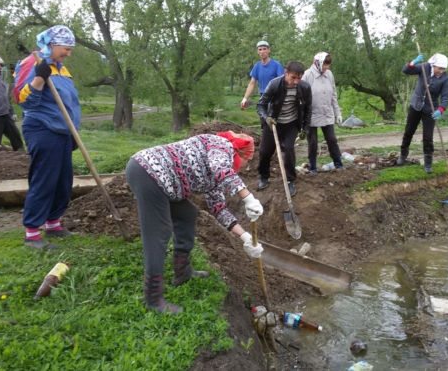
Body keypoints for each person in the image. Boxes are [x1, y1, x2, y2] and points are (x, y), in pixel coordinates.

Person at [126, 132, 264, 314]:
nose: (245, 167)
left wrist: (245, 237)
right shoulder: (221, 145)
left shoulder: (218, 175)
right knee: (158, 232)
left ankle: (182, 273)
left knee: (187, 213)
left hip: (166, 183)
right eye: (248, 161)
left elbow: (219, 209)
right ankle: (153, 298)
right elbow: (221, 168)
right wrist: (248, 197)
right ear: (241, 153)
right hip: (148, 173)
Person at [13, 25, 80, 250]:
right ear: (51, 44)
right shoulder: (32, 63)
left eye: (70, 50)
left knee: (63, 179)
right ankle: (32, 233)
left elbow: (68, 101)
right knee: (44, 179)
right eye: (66, 49)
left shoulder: (61, 68)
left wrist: (72, 132)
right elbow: (22, 99)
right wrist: (39, 78)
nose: (68, 54)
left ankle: (53, 224)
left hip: (62, 131)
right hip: (42, 128)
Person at [256, 61, 312, 196]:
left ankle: (290, 180)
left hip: (291, 124)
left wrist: (306, 127)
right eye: (293, 77)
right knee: (264, 152)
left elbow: (308, 108)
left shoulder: (304, 88)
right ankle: (264, 176)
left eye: (299, 78)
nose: (296, 81)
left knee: (289, 149)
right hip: (273, 123)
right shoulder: (275, 84)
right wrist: (266, 118)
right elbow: (260, 105)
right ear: (286, 73)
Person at [396, 53, 448, 174]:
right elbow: (406, 70)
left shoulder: (445, 78)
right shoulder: (425, 68)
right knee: (409, 131)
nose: (441, 71)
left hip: (431, 109)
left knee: (428, 137)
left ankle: (428, 162)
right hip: (416, 105)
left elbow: (446, 97)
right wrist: (413, 62)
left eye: (443, 69)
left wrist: (440, 110)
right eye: (439, 68)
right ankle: (403, 154)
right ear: (434, 65)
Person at [303, 52, 343, 173]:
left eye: (328, 65)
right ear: (318, 63)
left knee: (331, 139)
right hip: (312, 114)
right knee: (313, 142)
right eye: (325, 64)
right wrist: (302, 118)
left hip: (327, 112)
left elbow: (333, 95)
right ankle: (313, 166)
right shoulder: (307, 75)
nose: (326, 67)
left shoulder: (329, 75)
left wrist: (338, 113)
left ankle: (338, 163)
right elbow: (302, 97)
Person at [240, 41, 285, 110]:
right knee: (263, 118)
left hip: (275, 97)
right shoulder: (257, 66)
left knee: (274, 119)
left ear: (268, 50)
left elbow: (283, 81)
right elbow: (252, 83)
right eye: (260, 49)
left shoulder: (276, 65)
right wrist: (245, 99)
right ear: (257, 51)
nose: (262, 51)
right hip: (263, 96)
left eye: (264, 49)